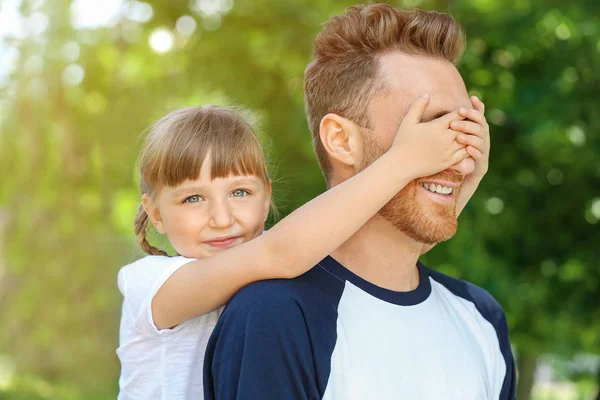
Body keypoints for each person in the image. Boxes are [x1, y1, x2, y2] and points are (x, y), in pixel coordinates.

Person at [203, 5, 515, 400]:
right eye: (430, 126)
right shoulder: (275, 316)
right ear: (341, 140)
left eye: (466, 128)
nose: (460, 156)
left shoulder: (481, 316)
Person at [116, 101, 480, 399]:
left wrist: (472, 173)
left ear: (266, 197)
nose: (222, 218)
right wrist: (403, 161)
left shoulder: (277, 260)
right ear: (156, 214)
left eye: (239, 192)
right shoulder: (150, 285)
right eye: (193, 198)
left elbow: (399, 250)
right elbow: (281, 253)